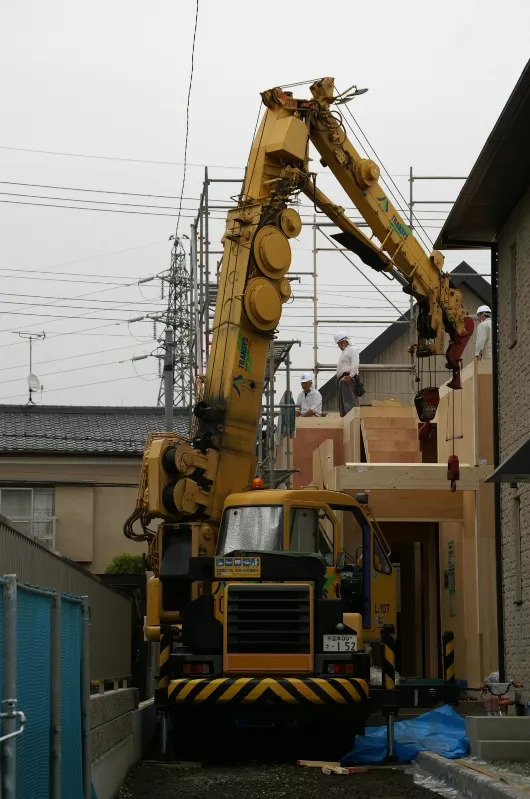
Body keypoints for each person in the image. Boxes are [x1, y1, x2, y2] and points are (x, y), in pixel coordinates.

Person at [334, 331, 360, 417]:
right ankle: (347, 422)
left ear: (345, 341)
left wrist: (351, 375)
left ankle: (353, 424)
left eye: (340, 343)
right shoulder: (345, 351)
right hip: (343, 380)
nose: (339, 345)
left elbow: (355, 364)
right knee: (344, 406)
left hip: (348, 379)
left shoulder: (352, 349)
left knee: (350, 405)